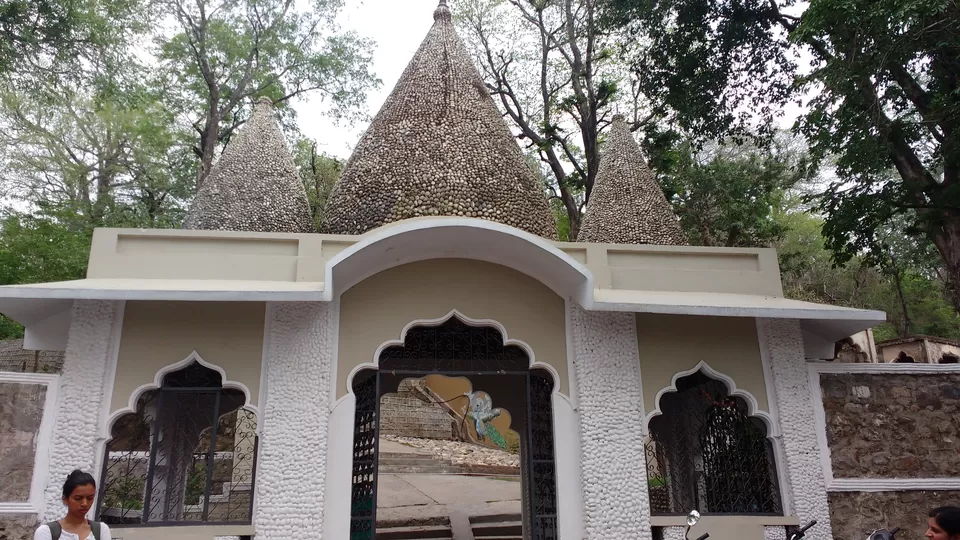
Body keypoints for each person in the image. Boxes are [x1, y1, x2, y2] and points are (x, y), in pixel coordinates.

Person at [34, 470, 111, 540]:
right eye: (78, 498)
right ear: (65, 499)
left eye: (90, 498)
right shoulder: (46, 532)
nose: (85, 503)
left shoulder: (101, 530)